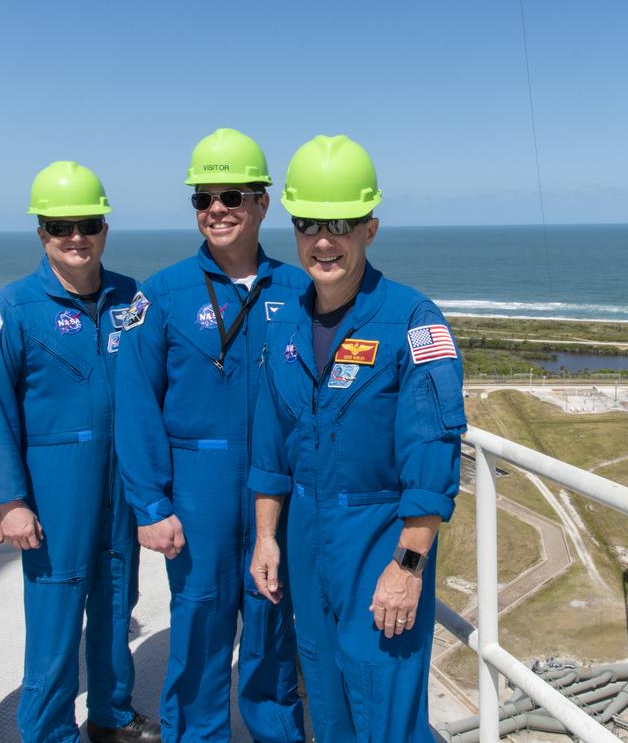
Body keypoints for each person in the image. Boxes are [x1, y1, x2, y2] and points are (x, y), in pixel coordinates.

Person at [249, 135, 466, 742]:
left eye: (341, 223)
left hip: (379, 538)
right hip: (305, 536)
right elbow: (272, 447)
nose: (324, 240)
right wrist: (266, 537)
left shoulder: (412, 322)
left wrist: (408, 564)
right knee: (327, 695)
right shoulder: (286, 321)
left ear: (371, 228)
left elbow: (432, 453)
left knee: (385, 706)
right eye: (310, 223)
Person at [115, 128, 307, 742]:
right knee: (198, 626)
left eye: (231, 196)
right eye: (203, 199)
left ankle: (276, 732)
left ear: (262, 203)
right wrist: (150, 504)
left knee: (274, 625)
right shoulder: (162, 295)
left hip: (281, 487)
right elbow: (136, 405)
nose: (216, 209)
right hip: (199, 486)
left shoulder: (301, 289)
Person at [0, 162, 159, 743]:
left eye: (89, 224)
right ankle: (48, 729)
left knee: (116, 599)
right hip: (54, 488)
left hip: (122, 482)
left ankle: (111, 714)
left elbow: (159, 389)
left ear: (104, 228)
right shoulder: (13, 310)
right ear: (41, 234)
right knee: (55, 617)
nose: (76, 237)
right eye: (60, 226)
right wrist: (10, 500)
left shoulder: (134, 300)